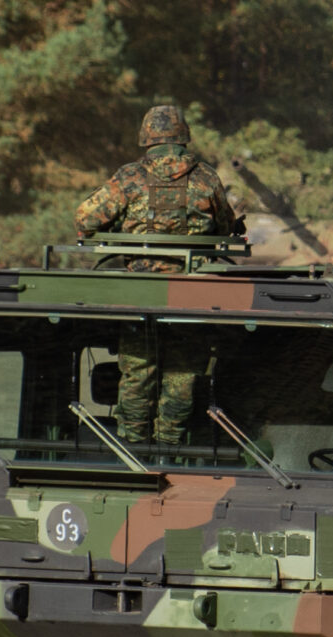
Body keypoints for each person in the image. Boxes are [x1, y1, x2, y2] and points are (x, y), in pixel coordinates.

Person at [75, 105, 245, 446]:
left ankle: (135, 454)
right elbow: (227, 229)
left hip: (140, 297)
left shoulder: (129, 177)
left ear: (146, 137)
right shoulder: (207, 178)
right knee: (182, 379)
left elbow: (85, 219)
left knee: (137, 375)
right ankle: (171, 452)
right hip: (190, 299)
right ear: (183, 136)